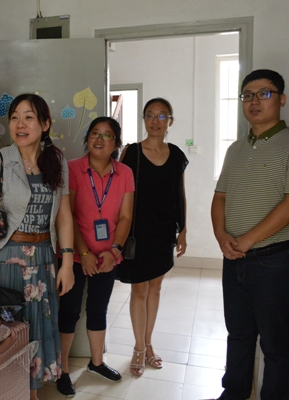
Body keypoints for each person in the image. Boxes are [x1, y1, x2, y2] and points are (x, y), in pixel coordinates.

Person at [210, 69, 289, 400]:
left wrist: (248, 239)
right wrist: (221, 236)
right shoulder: (236, 149)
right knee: (238, 334)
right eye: (247, 95)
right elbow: (220, 198)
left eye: (264, 93)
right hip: (234, 259)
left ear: (282, 100)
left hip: (275, 261)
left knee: (275, 343)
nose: (254, 101)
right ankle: (234, 394)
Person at [0, 93, 75, 400]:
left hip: (43, 258)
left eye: (28, 117)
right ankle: (8, 392)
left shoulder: (57, 162)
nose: (20, 124)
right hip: (5, 259)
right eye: (14, 117)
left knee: (36, 327)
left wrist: (67, 262)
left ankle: (31, 393)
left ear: (45, 124)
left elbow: (64, 216)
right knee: (6, 330)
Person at [55, 117, 134, 397]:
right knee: (69, 311)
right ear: (87, 138)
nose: (99, 139)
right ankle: (62, 370)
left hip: (108, 258)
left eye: (107, 135)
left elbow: (125, 217)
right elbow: (68, 214)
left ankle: (96, 363)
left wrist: (115, 250)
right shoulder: (73, 168)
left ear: (116, 143)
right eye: (94, 134)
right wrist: (84, 253)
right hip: (74, 257)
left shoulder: (125, 173)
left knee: (99, 309)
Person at [117, 98, 188, 376]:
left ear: (170, 121)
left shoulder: (177, 154)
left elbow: (179, 193)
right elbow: (120, 192)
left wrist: (183, 228)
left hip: (164, 231)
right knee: (139, 290)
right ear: (144, 119)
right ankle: (138, 348)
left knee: (155, 289)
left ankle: (148, 345)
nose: (155, 121)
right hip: (137, 232)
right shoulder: (132, 152)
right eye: (150, 115)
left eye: (162, 116)